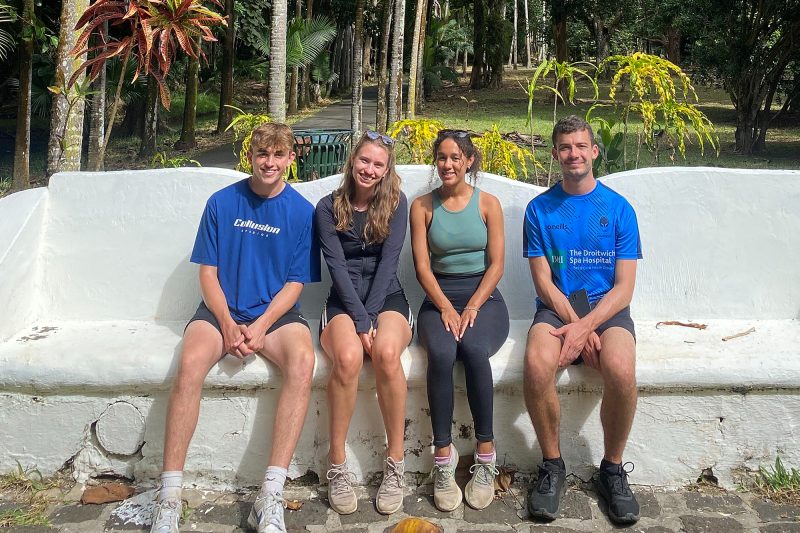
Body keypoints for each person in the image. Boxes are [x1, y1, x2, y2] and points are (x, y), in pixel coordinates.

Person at [150, 123, 321, 533]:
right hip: (220, 311)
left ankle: (271, 494)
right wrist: (227, 322)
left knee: (303, 363)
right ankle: (169, 496)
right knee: (189, 364)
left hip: (274, 316)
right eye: (262, 154)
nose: (269, 162)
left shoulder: (302, 212)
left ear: (290, 159)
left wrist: (261, 326)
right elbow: (207, 273)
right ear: (250, 157)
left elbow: (295, 283)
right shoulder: (222, 203)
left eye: (278, 155)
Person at [522, 115, 643, 525]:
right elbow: (543, 283)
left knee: (620, 368)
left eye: (580, 146)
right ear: (555, 154)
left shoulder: (619, 209)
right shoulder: (538, 210)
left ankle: (612, 469)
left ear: (594, 151)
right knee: (536, 363)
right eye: (565, 147)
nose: (573, 154)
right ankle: (552, 465)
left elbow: (624, 288)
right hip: (557, 309)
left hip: (608, 310)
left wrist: (588, 326)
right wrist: (576, 326)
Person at [409, 130, 510, 512]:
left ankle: (485, 455)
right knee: (440, 353)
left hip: (484, 299)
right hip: (438, 299)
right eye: (442, 157)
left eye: (455, 157)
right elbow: (422, 268)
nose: (447, 164)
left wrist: (472, 307)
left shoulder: (488, 204)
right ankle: (442, 458)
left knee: (472, 349)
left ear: (469, 161)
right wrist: (446, 307)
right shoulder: (422, 207)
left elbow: (497, 265)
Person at [315, 131, 413, 515]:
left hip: (387, 298)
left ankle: (396, 464)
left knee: (386, 353)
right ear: (352, 161)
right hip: (343, 302)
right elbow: (337, 268)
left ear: (387, 170)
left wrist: (371, 318)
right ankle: (337, 465)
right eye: (364, 161)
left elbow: (389, 263)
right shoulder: (328, 207)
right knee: (349, 358)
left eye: (378, 164)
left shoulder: (397, 204)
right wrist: (359, 320)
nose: (369, 169)